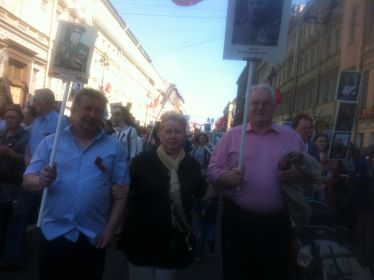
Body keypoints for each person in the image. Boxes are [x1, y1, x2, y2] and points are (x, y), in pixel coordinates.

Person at [22, 88, 129, 280]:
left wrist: (111, 230)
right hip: (54, 233)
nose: (93, 115)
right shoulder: (50, 143)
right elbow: (27, 179)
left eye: (98, 111)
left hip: (93, 237)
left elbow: (122, 193)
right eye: (87, 109)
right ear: (73, 111)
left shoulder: (115, 147)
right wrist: (41, 180)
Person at [208, 84, 305, 280]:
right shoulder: (232, 135)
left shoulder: (291, 138)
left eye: (266, 103)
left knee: (274, 272)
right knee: (236, 272)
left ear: (274, 107)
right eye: (255, 103)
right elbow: (212, 169)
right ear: (248, 107)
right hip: (237, 219)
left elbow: (309, 175)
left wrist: (298, 175)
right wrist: (225, 177)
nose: (260, 107)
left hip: (277, 222)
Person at [118, 111, 208, 280]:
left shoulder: (192, 165)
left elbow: (203, 193)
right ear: (160, 134)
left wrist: (224, 182)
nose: (172, 136)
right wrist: (115, 225)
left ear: (185, 134)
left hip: (173, 242)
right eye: (168, 131)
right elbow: (125, 193)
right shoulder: (142, 161)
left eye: (177, 131)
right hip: (141, 238)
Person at [1, 88, 69, 269]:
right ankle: (12, 259)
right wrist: (27, 158)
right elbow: (30, 147)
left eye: (36, 101)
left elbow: (64, 149)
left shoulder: (60, 121)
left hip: (50, 178)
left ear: (46, 102)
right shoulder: (37, 122)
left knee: (50, 217)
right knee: (19, 216)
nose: (32, 104)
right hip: (31, 176)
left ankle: (50, 258)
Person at [0, 105, 29, 268]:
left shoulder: (26, 136)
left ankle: (7, 256)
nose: (9, 120)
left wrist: (12, 154)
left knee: (6, 221)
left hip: (13, 183)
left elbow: (27, 160)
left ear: (20, 120)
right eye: (7, 117)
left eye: (13, 117)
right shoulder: (2, 133)